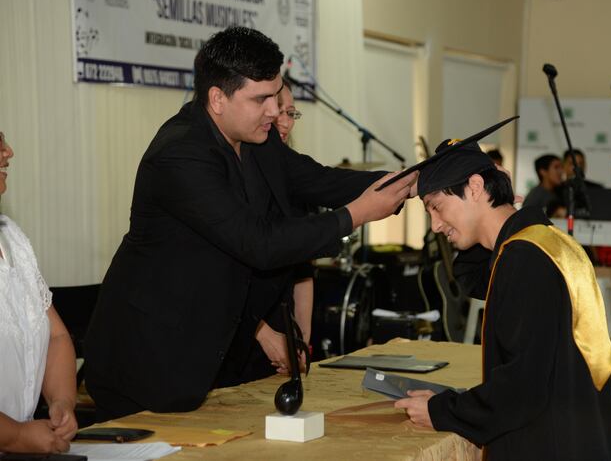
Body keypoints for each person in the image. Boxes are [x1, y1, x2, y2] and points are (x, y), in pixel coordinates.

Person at [84, 27, 417, 420]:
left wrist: (414, 179)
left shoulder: (256, 138)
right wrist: (357, 214)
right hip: (149, 359)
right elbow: (259, 243)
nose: (275, 112)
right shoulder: (180, 154)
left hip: (215, 352)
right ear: (217, 98)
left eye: (276, 96)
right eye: (261, 99)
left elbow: (318, 180)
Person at [395, 139, 611, 460]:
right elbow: (477, 281)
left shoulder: (524, 259)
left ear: (475, 187)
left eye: (436, 206)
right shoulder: (542, 240)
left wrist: (442, 410)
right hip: (578, 430)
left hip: (549, 442)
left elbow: (522, 388)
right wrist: (496, 207)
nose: (435, 225)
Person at [0, 132, 79, 453]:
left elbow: (56, 336)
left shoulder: (12, 237)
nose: (9, 152)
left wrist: (61, 402)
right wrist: (16, 435)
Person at [275, 79, 312, 349]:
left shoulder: (294, 179)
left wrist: (304, 341)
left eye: (291, 113)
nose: (286, 122)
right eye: (279, 111)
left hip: (284, 328)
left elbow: (303, 273)